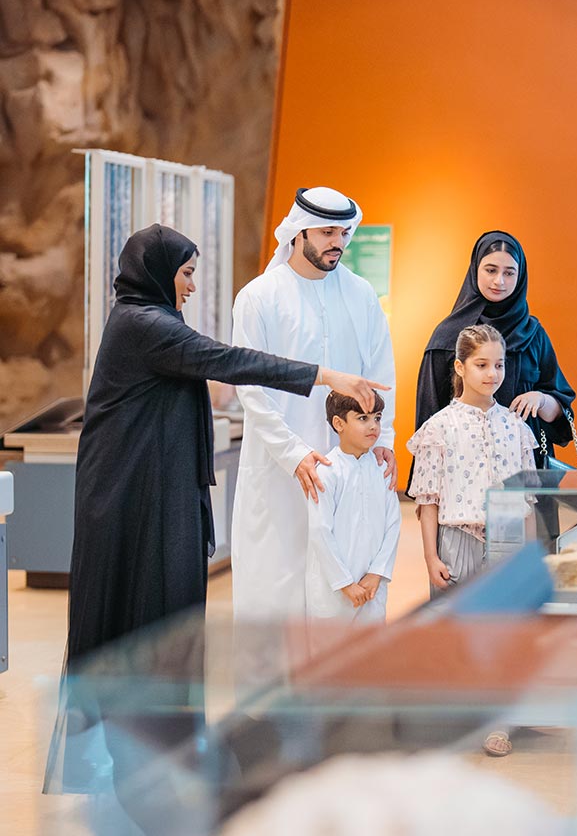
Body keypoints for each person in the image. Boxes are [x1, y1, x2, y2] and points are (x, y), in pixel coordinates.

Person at [67, 223, 386, 661]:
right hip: (130, 490)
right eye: (185, 274)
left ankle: (156, 717)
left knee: (159, 604)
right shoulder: (145, 324)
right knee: (139, 605)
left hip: (150, 484)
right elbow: (230, 360)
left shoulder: (148, 319)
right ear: (156, 274)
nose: (192, 286)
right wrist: (327, 375)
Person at [231, 187, 396, 620]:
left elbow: (383, 373)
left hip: (351, 464)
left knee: (346, 581)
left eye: (343, 232)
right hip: (279, 468)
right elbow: (250, 386)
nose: (336, 242)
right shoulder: (259, 297)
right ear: (298, 232)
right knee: (277, 586)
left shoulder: (361, 294)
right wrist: (294, 453)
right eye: (326, 232)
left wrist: (385, 436)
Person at [407, 323, 537, 757]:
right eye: (481, 365)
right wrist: (430, 555)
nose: (492, 374)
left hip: (507, 540)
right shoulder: (438, 428)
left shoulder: (517, 428)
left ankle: (499, 720)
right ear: (460, 367)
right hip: (454, 538)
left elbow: (531, 495)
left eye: (498, 365)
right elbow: (427, 498)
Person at [413, 230, 575, 465]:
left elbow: (560, 414)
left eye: (509, 273)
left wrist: (541, 399)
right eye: (490, 270)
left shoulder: (533, 334)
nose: (499, 281)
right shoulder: (447, 338)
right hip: (463, 472)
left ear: (520, 277)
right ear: (475, 269)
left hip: (527, 472)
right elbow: (428, 418)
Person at [306, 391, 400, 624]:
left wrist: (377, 572)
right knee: (330, 656)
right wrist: (345, 583)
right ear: (339, 424)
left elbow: (393, 525)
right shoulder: (327, 472)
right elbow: (320, 531)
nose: (373, 426)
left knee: (370, 654)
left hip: (372, 589)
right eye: (362, 418)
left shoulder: (382, 470)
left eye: (377, 418)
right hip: (333, 593)